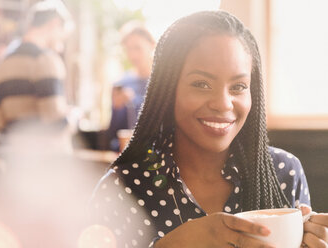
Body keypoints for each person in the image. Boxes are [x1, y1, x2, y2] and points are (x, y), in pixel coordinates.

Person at [89, 11, 328, 247]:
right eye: (201, 84)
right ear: (168, 89)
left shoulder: (284, 173)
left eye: (238, 86)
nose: (223, 103)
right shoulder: (122, 190)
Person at [0, 0, 73, 132]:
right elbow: (56, 123)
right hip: (44, 150)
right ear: (54, 23)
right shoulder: (45, 60)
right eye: (62, 38)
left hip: (13, 150)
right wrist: (73, 117)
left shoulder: (3, 63)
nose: (61, 47)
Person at [103, 21, 156, 151]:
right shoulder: (121, 84)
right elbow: (114, 133)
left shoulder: (163, 82)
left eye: (137, 48)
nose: (133, 55)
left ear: (152, 45)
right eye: (128, 49)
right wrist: (116, 107)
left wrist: (134, 102)